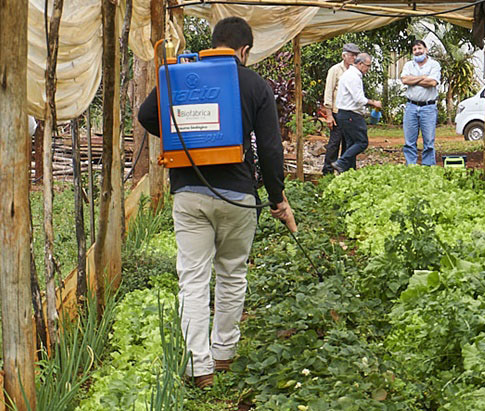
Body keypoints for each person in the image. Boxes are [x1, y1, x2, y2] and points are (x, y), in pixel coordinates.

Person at [137, 16, 296, 389]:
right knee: (231, 274)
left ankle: (198, 368)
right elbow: (271, 150)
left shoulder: (181, 73)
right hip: (238, 198)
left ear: (213, 43)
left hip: (190, 194)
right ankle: (223, 355)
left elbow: (146, 115)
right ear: (244, 50)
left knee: (193, 280)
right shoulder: (255, 84)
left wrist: (184, 134)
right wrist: (277, 199)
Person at [331, 52, 381, 173]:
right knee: (362, 142)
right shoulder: (353, 77)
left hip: (344, 113)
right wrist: (373, 103)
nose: (368, 69)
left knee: (351, 144)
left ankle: (348, 171)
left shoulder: (349, 74)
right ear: (359, 64)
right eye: (367, 66)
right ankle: (341, 162)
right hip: (351, 114)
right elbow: (359, 99)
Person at [400, 39, 441, 166]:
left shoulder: (434, 65)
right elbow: (404, 80)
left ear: (426, 50)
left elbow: (432, 83)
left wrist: (413, 80)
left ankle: (428, 167)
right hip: (411, 106)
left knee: (428, 141)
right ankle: (411, 167)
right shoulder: (408, 65)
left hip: (428, 107)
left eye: (420, 48)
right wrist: (423, 77)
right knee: (409, 141)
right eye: (415, 49)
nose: (417, 52)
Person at [321, 43, 360, 175]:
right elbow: (328, 92)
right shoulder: (335, 70)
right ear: (344, 55)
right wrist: (329, 115)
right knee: (334, 143)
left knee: (349, 143)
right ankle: (327, 171)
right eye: (351, 55)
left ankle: (347, 172)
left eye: (356, 55)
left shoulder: (356, 71)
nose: (354, 57)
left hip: (351, 114)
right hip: (338, 113)